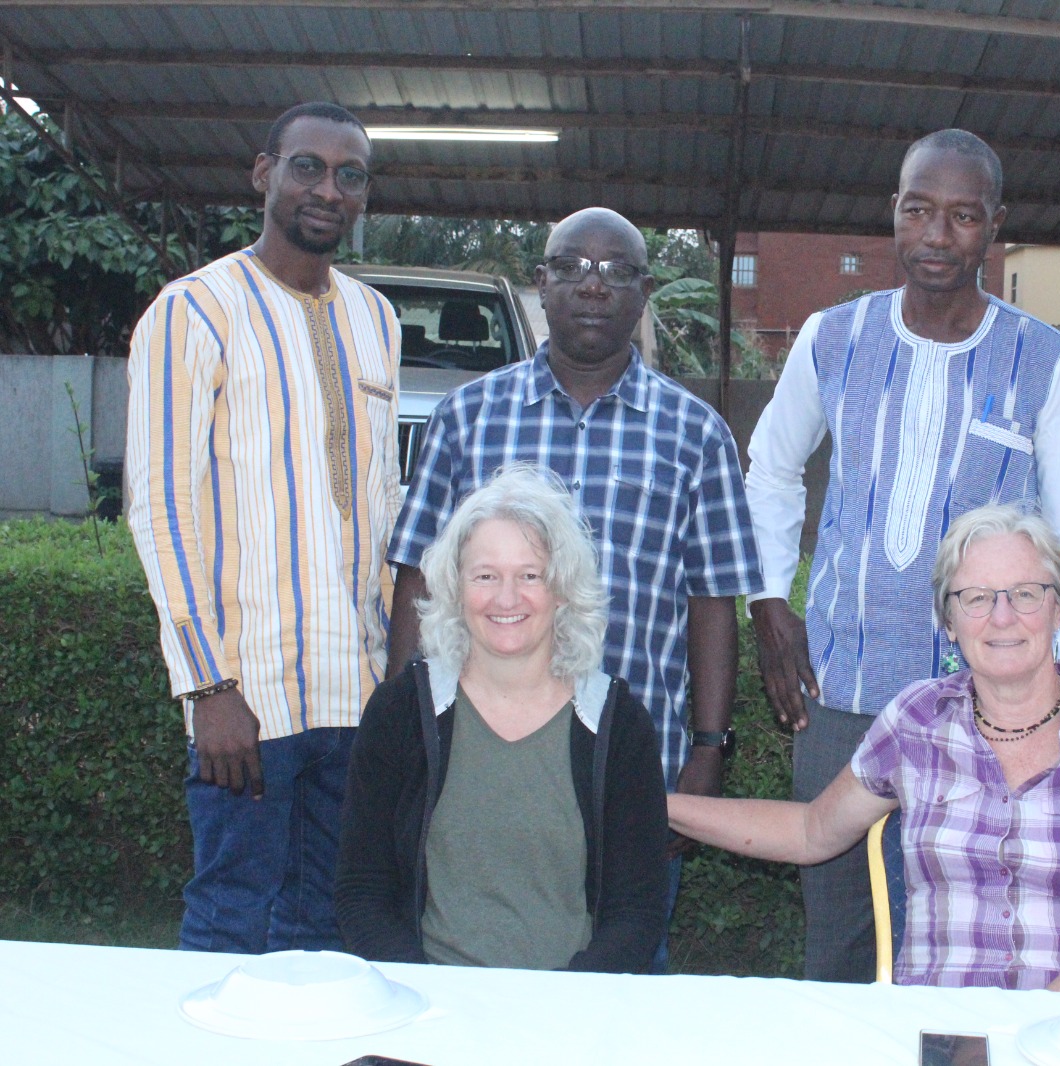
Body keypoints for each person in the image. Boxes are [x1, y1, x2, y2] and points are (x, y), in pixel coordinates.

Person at [744, 128, 1060, 982]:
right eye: (918, 211)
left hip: (981, 712)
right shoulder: (832, 337)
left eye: (962, 216)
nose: (937, 236)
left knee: (961, 946)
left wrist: (1059, 698)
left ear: (995, 226)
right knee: (839, 945)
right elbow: (769, 468)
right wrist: (767, 602)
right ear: (894, 214)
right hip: (839, 695)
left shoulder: (1043, 360)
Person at [384, 207, 762, 958]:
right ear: (541, 283)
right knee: (469, 961)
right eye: (572, 268)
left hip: (633, 766)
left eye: (617, 271)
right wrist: (400, 726)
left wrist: (709, 750)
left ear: (644, 291)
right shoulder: (467, 418)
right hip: (476, 758)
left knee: (624, 971)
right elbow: (418, 582)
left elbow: (712, 601)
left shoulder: (696, 434)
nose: (594, 286)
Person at [672, 505, 1060, 991]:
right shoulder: (916, 721)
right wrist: (662, 807)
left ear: (1059, 609)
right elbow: (810, 832)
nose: (1002, 617)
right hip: (935, 1031)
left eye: (1026, 594)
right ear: (948, 622)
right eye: (976, 598)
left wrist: (1022, 1032)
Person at [124, 102, 400, 953]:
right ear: (263, 174)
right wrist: (208, 688)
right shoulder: (194, 310)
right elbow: (161, 505)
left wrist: (395, 678)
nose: (329, 190)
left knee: (329, 931)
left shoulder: (376, 318)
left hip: (355, 694)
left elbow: (382, 504)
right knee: (231, 918)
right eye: (308, 167)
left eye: (350, 176)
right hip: (248, 698)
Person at [336, 464, 668, 971]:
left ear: (563, 588)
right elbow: (362, 891)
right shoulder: (400, 713)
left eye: (530, 575)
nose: (507, 598)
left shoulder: (618, 725)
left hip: (572, 1005)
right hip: (430, 1001)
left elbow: (637, 913)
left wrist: (566, 1002)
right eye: (485, 576)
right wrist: (425, 996)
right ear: (455, 587)